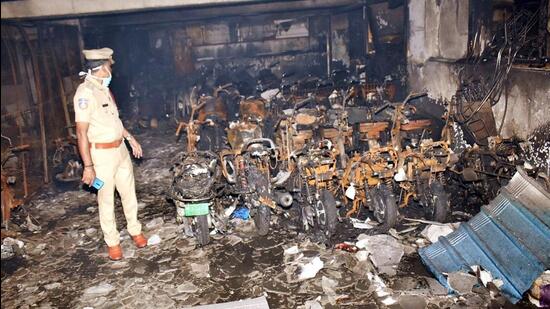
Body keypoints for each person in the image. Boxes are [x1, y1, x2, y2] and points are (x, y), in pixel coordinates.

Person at [74, 47, 147, 260]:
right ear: (103, 68)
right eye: (110, 66)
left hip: (120, 151)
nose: (111, 70)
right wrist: (88, 167)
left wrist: (130, 138)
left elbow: (114, 121)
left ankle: (135, 231)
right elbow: (81, 132)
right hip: (102, 156)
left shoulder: (104, 89)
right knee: (105, 199)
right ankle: (113, 243)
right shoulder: (85, 93)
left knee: (129, 193)